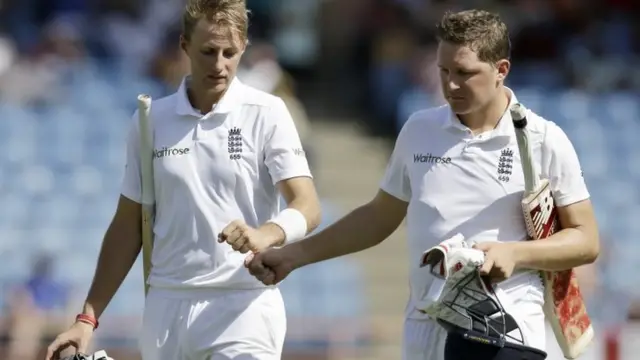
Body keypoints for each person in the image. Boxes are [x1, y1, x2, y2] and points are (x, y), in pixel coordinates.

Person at [245, 9, 600, 360]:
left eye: (465, 73)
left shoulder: (544, 140)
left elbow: (586, 239)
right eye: (444, 71)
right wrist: (295, 255)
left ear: (501, 71)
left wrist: (515, 253)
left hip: (507, 326)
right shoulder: (419, 128)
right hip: (426, 323)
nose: (451, 85)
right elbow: (378, 217)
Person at [45, 0, 321, 359]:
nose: (220, 65)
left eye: (230, 52)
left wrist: (266, 234)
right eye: (208, 51)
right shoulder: (150, 120)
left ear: (244, 49)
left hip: (244, 304)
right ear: (184, 45)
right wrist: (87, 319)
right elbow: (128, 226)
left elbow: (308, 206)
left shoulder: (267, 112)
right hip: (166, 307)